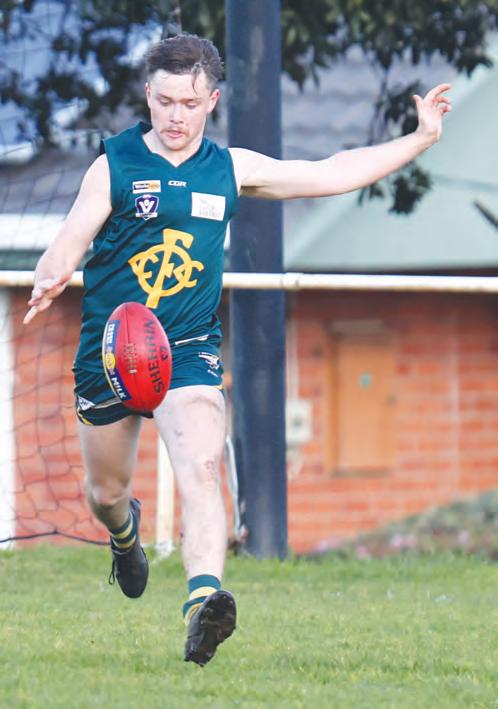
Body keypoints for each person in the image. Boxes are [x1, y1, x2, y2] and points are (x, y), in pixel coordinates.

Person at [23, 33, 451, 666]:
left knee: (201, 466)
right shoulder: (113, 165)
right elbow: (70, 237)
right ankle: (124, 534)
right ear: (148, 95)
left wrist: (419, 140)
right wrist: (53, 271)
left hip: (188, 348)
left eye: (189, 103)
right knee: (104, 492)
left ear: (212, 101)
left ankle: (204, 603)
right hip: (112, 353)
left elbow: (329, 172)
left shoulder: (231, 169)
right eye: (165, 101)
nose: (175, 116)